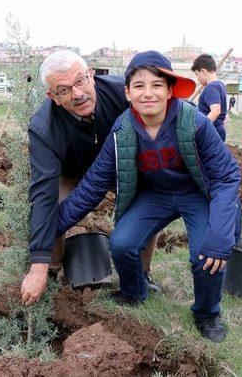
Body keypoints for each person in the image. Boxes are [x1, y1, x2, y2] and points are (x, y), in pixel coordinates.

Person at [55, 50, 241, 342]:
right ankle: (134, 292)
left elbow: (227, 175)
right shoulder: (122, 131)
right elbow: (92, 186)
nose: (148, 93)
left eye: (157, 85)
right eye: (139, 86)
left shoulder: (195, 122)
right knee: (121, 243)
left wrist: (221, 235)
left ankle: (207, 313)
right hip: (156, 195)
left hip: (196, 194)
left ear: (169, 90)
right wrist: (53, 225)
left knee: (206, 253)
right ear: (127, 93)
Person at [20, 50, 160, 308]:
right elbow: (43, 193)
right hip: (72, 173)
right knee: (53, 206)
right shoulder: (43, 128)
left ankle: (141, 272)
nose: (77, 93)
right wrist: (37, 265)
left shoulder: (124, 94)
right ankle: (54, 268)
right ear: (53, 97)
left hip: (123, 168)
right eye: (64, 90)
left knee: (147, 200)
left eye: (81, 81)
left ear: (91, 76)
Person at [191, 54, 228, 141]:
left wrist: (200, 129)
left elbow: (215, 111)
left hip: (212, 132)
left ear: (203, 71)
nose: (197, 79)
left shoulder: (211, 87)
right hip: (218, 130)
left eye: (197, 74)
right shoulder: (220, 85)